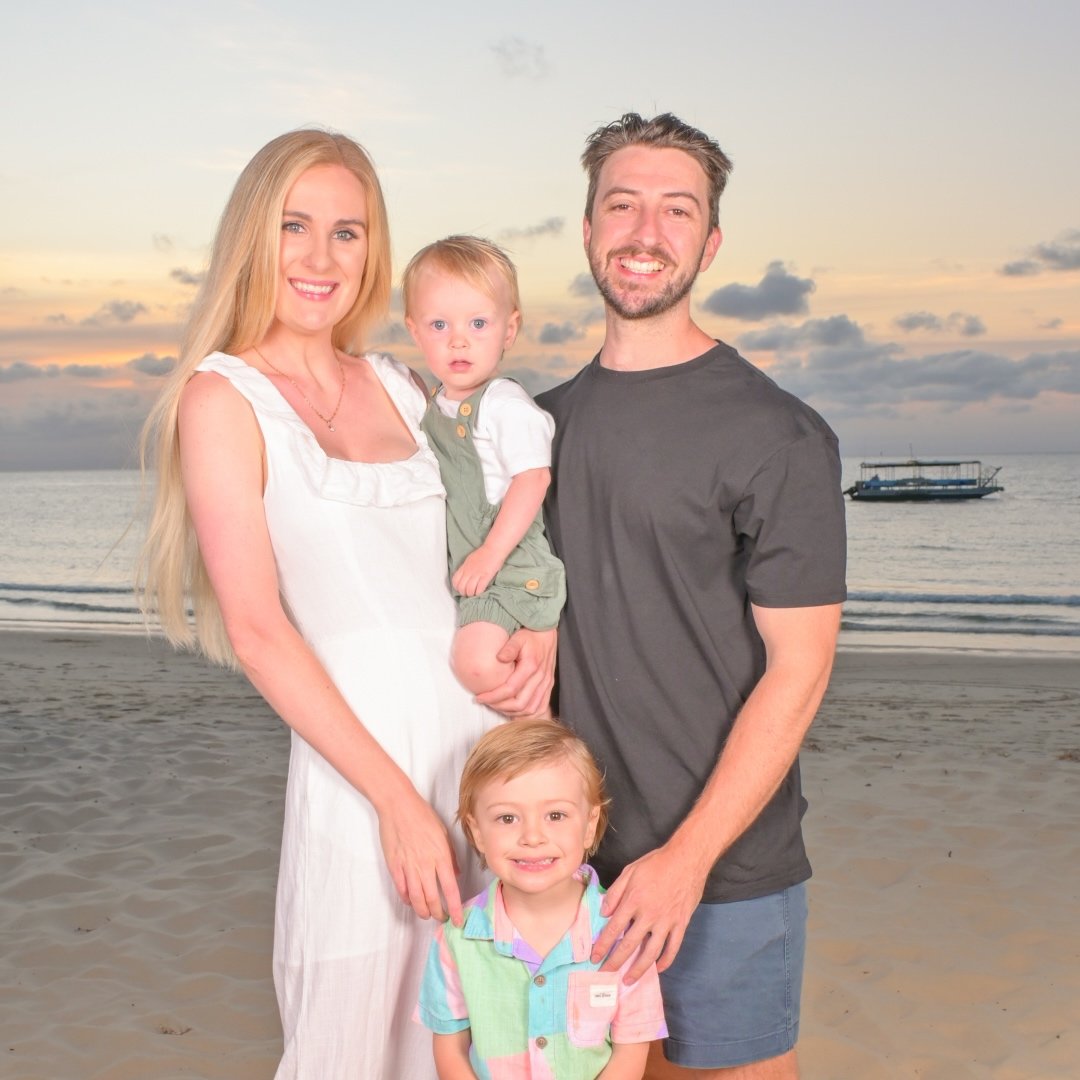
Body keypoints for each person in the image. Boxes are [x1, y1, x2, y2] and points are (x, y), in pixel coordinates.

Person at [136, 129, 554, 1079]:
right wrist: (397, 804)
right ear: (254, 234)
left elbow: (503, 535)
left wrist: (542, 636)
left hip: (486, 770)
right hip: (363, 787)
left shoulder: (407, 389)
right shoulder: (223, 398)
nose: (320, 258)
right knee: (352, 1047)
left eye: (348, 232)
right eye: (295, 226)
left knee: (489, 1044)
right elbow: (258, 629)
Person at [533, 114, 847, 1078]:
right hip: (569, 870)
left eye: (677, 211)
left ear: (710, 244)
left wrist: (686, 860)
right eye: (622, 205)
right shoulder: (534, 432)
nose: (645, 232)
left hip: (725, 872)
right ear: (587, 229)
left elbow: (800, 671)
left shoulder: (778, 434)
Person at [417, 719, 667, 1079]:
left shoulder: (623, 933)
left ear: (589, 825)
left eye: (555, 815)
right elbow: (450, 1048)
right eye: (507, 818)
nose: (532, 837)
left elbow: (631, 1050)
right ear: (477, 831)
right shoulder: (456, 939)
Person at [403, 236, 565, 697]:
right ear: (415, 332)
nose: (458, 340)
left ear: (509, 331)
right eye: (439, 325)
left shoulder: (503, 404)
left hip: (511, 571)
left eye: (478, 323)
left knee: (476, 664)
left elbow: (534, 478)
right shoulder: (432, 405)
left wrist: (491, 554)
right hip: (473, 571)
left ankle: (538, 723)